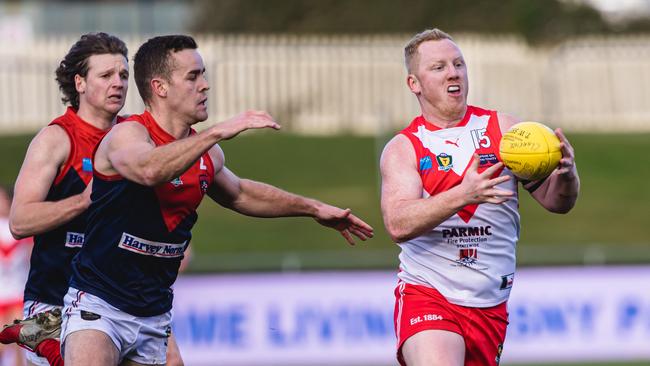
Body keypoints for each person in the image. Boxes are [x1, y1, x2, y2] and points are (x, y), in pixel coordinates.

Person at [60, 35, 373, 366]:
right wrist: (218, 132)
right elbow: (150, 169)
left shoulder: (206, 155)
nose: (205, 85)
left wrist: (313, 208)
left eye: (203, 74)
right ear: (160, 87)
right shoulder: (128, 134)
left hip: (153, 314)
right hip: (98, 306)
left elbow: (241, 193)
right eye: (193, 77)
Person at [380, 29, 579, 366]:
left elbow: (558, 203)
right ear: (414, 83)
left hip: (490, 305)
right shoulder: (404, 148)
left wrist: (567, 174)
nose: (453, 72)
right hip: (428, 294)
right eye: (439, 67)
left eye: (458, 64)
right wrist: (464, 194)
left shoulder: (506, 131)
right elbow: (398, 224)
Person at [0, 32, 129, 366]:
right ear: (80, 83)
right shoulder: (56, 139)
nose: (118, 83)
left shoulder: (133, 136)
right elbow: (19, 221)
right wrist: (84, 200)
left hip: (121, 306)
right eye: (106, 75)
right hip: (52, 310)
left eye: (123, 75)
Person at [0, 186, 32, 366]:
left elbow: (30, 254)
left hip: (17, 291)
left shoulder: (18, 227)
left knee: (19, 341)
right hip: (1, 292)